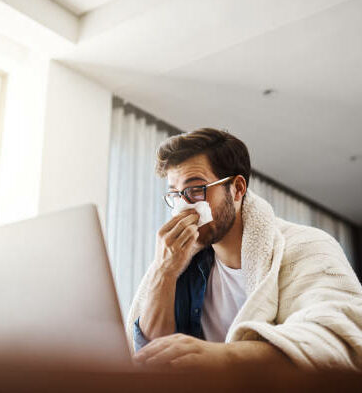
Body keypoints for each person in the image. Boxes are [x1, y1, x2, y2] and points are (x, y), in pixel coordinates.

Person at [126, 128, 362, 371]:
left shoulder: (309, 247)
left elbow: (338, 337)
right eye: (175, 195)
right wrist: (163, 272)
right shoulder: (183, 265)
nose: (183, 207)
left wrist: (222, 357)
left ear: (237, 189)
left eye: (196, 190)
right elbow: (149, 359)